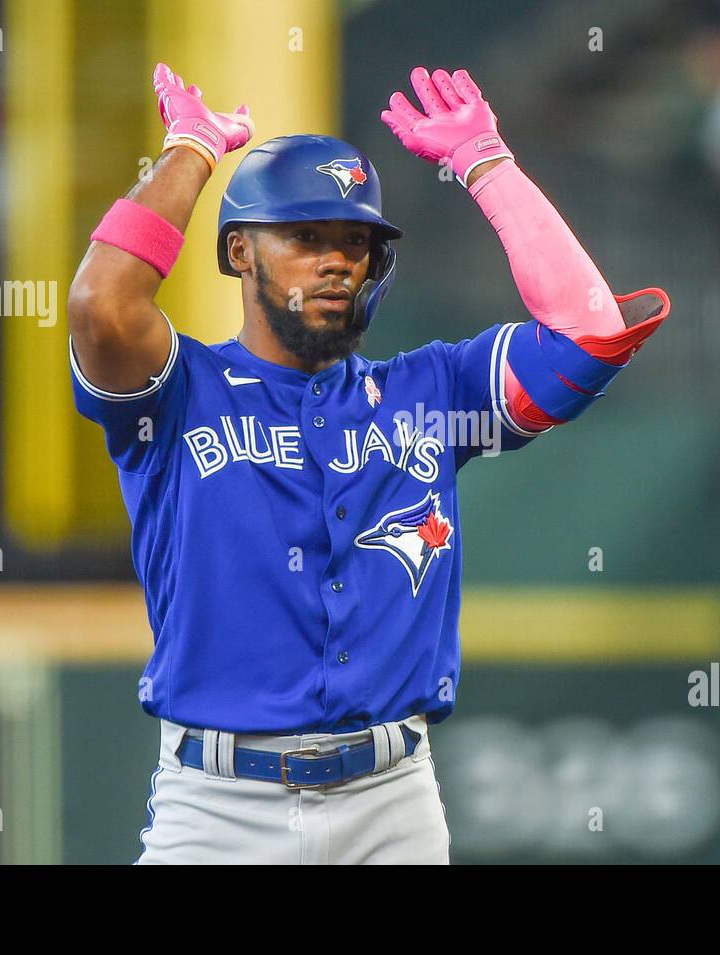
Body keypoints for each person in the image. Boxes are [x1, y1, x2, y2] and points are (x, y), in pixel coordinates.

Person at [67, 63, 669, 864]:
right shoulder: (181, 393)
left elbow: (588, 334)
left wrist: (487, 163)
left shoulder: (431, 391)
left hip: (393, 804)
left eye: (355, 243)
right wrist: (191, 150)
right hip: (217, 807)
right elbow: (100, 305)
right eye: (305, 238)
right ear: (239, 250)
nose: (336, 262)